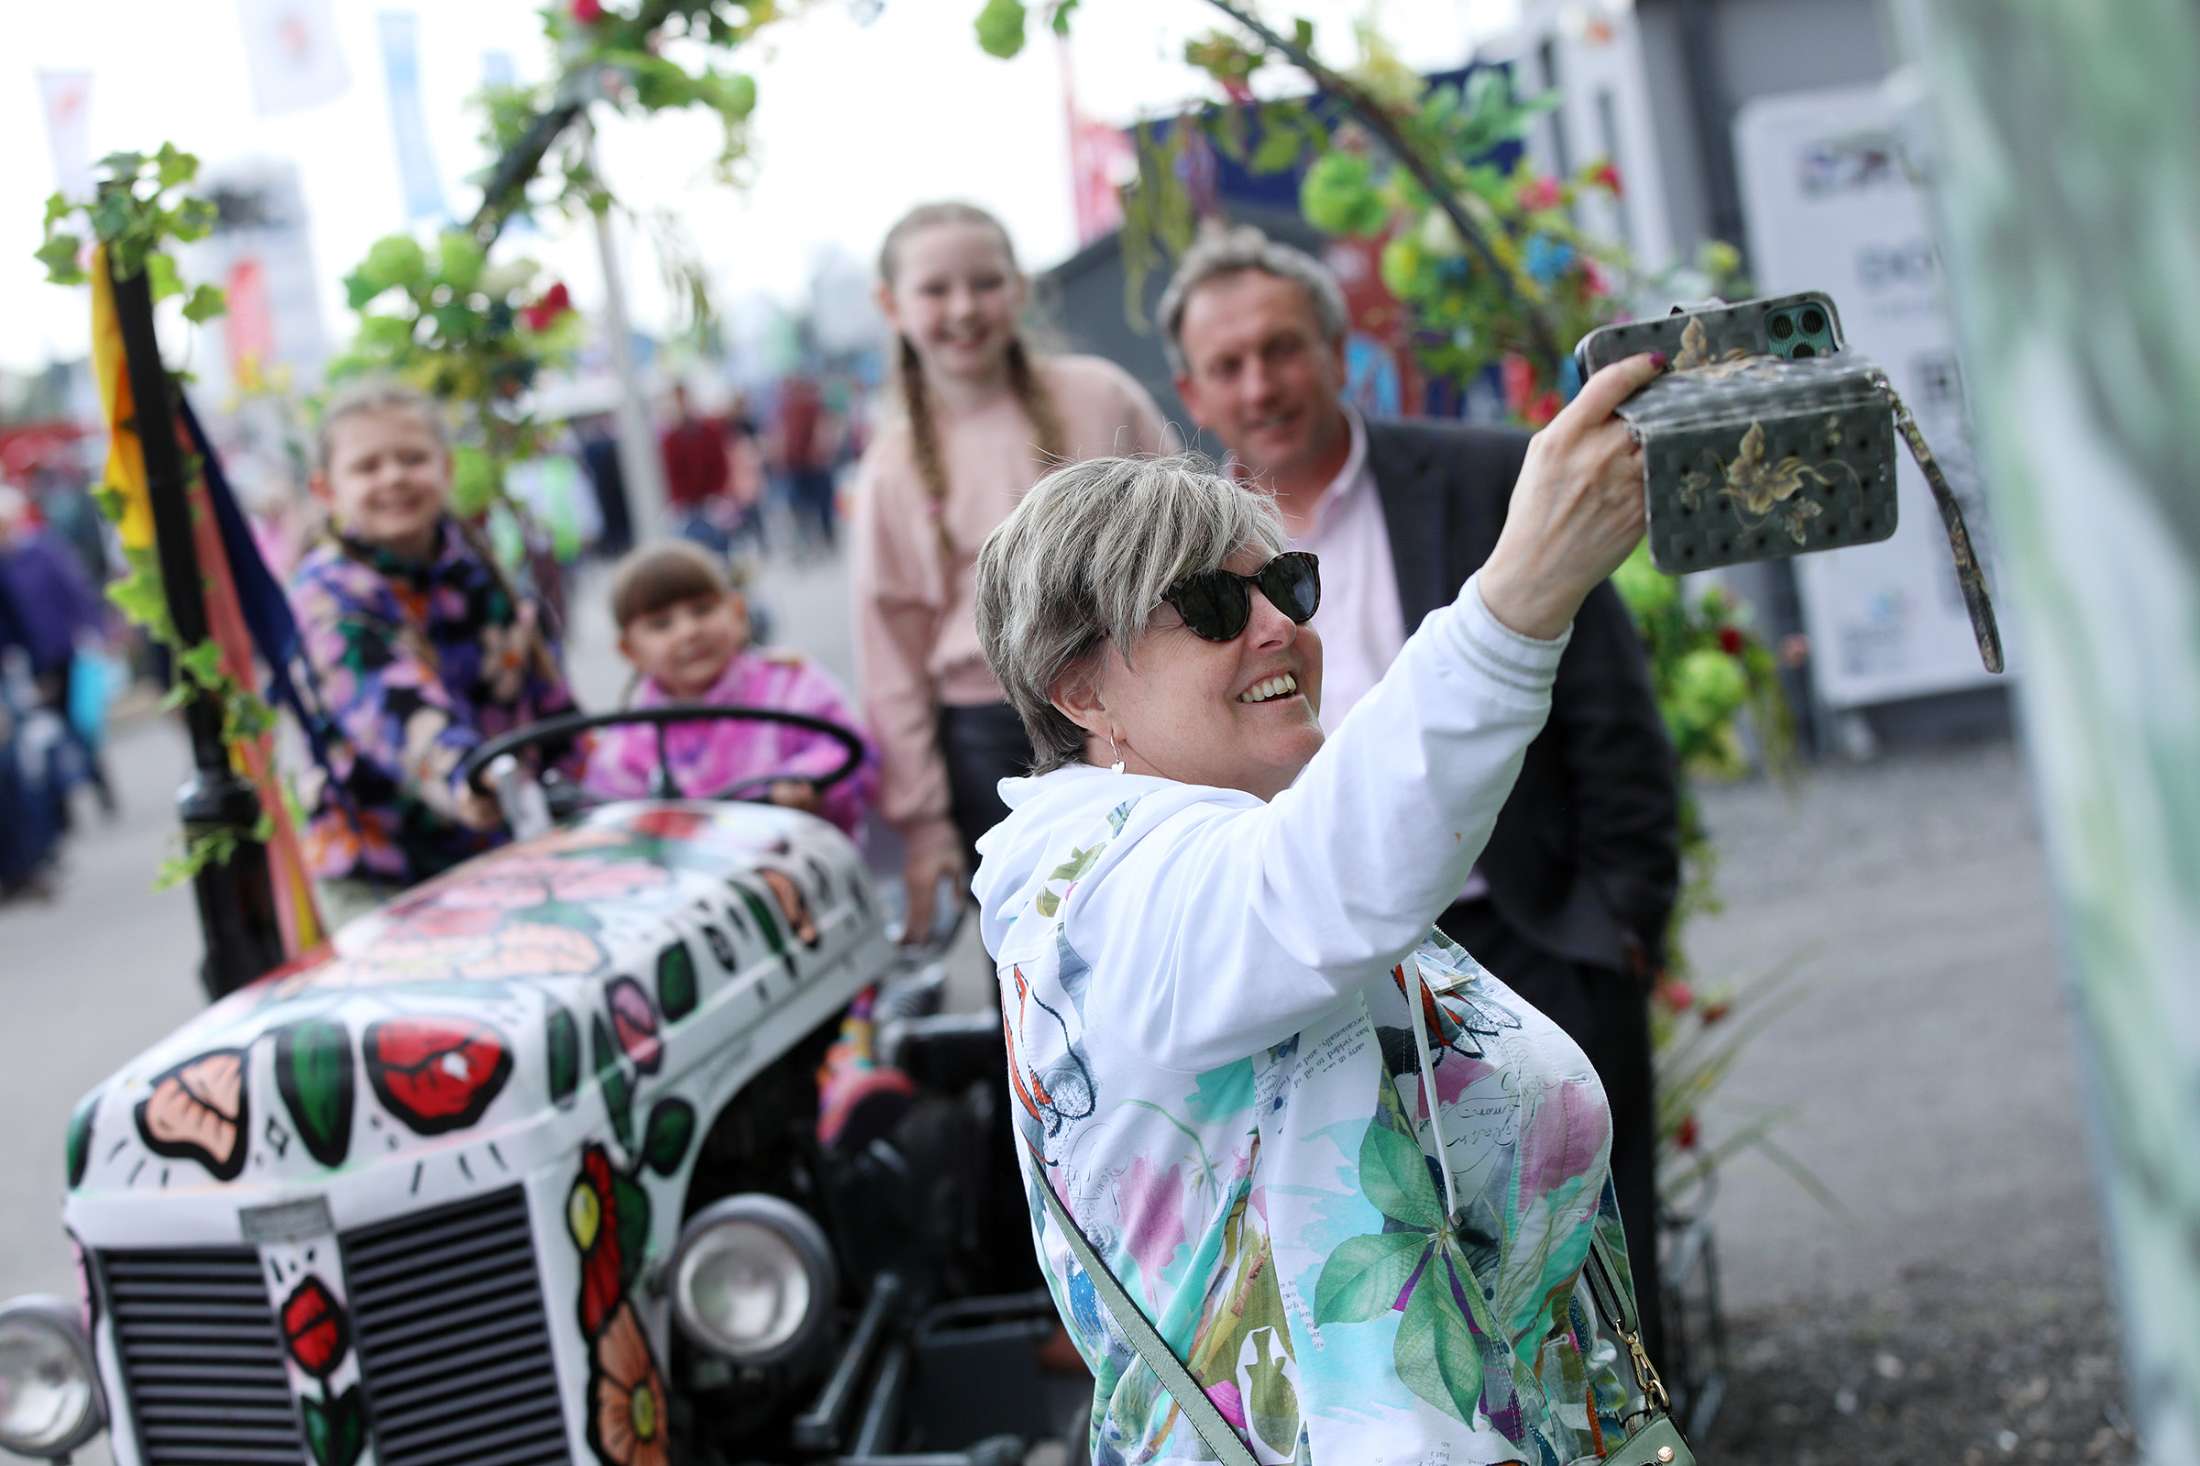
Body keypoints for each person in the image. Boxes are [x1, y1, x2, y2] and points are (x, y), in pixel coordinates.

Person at [972, 356, 1669, 1462]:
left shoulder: (1218, 843)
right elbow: (1324, 883)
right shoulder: (1103, 893)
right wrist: (1522, 589)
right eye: (1206, 603)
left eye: (1283, 586)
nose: (1272, 627)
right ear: (1081, 690)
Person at [1158, 225, 1680, 1360]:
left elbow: (1612, 721)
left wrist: (1617, 928)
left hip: (1529, 936)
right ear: (1189, 389)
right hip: (1323, 985)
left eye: (1280, 348)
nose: (1260, 383)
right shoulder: (1173, 568)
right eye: (1229, 364)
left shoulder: (1496, 477)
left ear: (1338, 351)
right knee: (1406, 1329)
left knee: (1598, 1301)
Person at [851, 200, 1177, 945]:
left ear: (1020, 289)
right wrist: (925, 818)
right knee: (1046, 956)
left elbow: (1191, 535)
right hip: (989, 744)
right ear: (891, 305)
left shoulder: (1098, 396)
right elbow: (892, 661)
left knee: (1161, 926)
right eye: (936, 290)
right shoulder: (892, 468)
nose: (963, 308)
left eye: (985, 282)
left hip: (1139, 702)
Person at [291, 379, 577, 921]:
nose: (394, 476)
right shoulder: (324, 594)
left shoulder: (476, 563)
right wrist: (465, 773)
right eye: (368, 466)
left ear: (445, 469)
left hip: (504, 851)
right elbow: (392, 707)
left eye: (412, 458)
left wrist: (601, 779)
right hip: (383, 872)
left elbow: (548, 697)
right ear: (326, 490)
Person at [584, 540, 877, 837]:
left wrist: (808, 778)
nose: (689, 631)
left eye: (702, 610)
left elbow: (852, 749)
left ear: (737, 613)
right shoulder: (629, 742)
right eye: (661, 624)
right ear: (629, 650)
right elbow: (609, 822)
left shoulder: (791, 684)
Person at [0, 484, 116, 821]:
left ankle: (97, 784)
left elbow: (74, 589)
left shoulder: (42, 549)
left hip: (63, 650)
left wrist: (95, 630)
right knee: (47, 732)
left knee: (79, 724)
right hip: (32, 659)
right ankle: (61, 808)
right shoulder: (5, 565)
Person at [660, 382, 734, 553]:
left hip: (711, 500)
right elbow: (671, 474)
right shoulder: (671, 439)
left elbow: (720, 464)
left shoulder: (709, 431)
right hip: (686, 505)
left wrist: (717, 493)